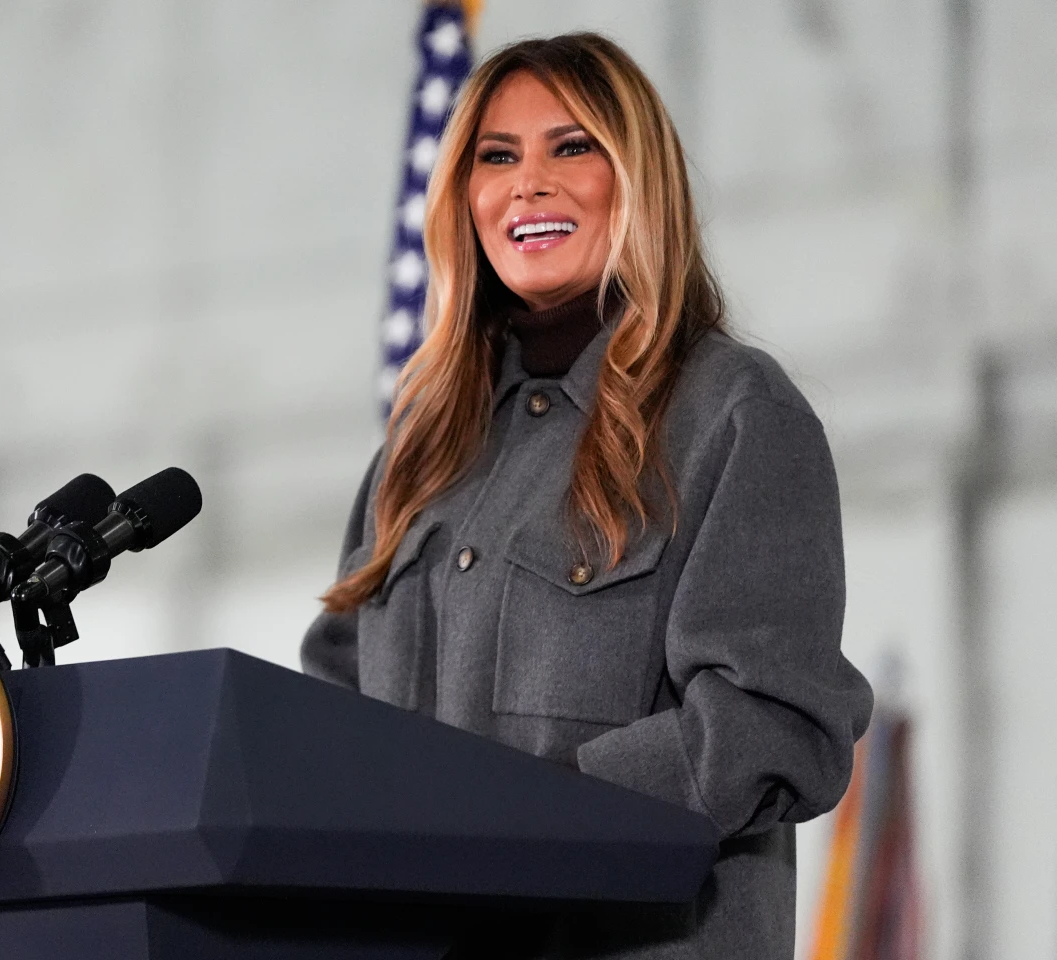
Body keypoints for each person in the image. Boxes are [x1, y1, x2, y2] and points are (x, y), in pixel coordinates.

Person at [301, 32, 873, 960]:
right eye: (497, 157)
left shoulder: (733, 412)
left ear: (638, 179)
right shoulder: (421, 442)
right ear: (462, 197)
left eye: (572, 147)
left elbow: (774, 727)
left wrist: (535, 814)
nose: (527, 184)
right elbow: (331, 702)